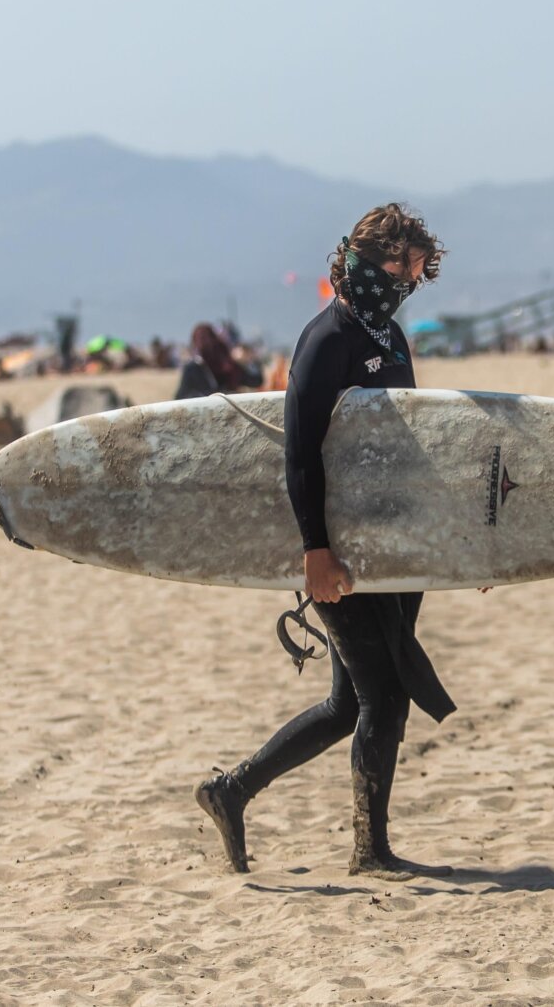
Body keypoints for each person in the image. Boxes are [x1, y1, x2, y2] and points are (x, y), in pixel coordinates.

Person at [196, 203, 465, 881]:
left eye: (414, 272)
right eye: (399, 268)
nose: (406, 281)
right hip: (339, 552)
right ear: (366, 261)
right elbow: (300, 455)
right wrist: (315, 550)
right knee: (384, 696)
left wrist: (466, 546)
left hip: (394, 546)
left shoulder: (392, 338)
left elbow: (412, 444)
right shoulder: (326, 340)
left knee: (350, 704)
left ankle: (231, 789)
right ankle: (368, 849)